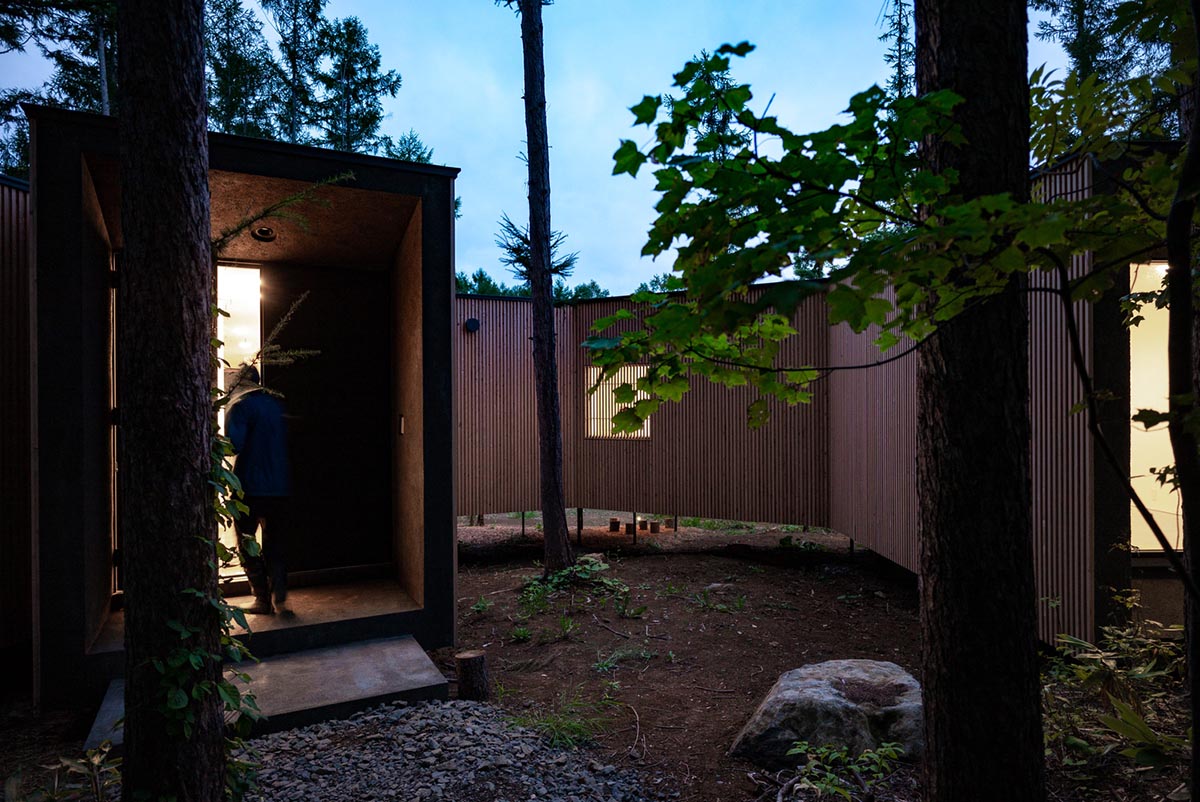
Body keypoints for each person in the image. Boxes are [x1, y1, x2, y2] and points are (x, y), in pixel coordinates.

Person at [225, 364, 292, 616]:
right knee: (276, 544)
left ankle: (261, 599)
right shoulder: (275, 405)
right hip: (280, 486)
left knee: (247, 541)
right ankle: (281, 599)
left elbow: (233, 445)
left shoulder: (240, 406)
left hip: (250, 486)